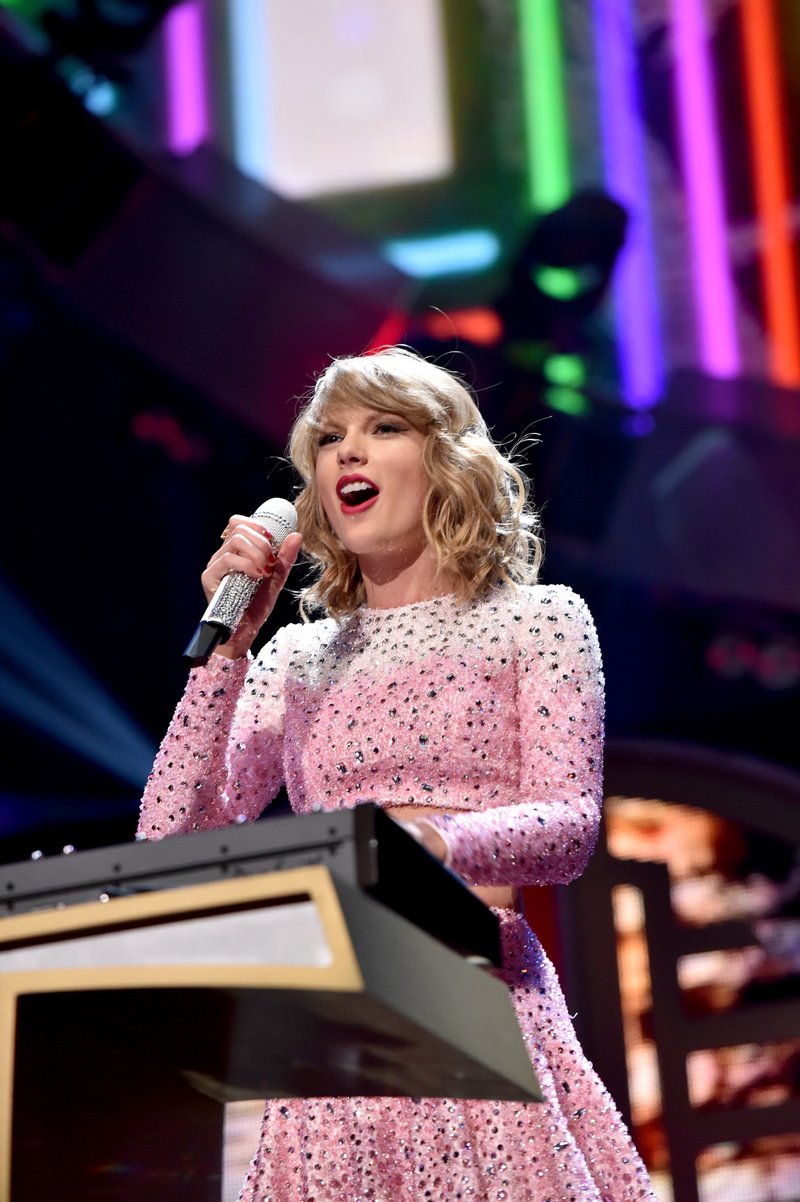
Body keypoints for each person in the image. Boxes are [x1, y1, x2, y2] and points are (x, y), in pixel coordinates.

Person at [138, 347, 655, 1202]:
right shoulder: (296, 658)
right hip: (340, 1028)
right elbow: (169, 842)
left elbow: (569, 827)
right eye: (331, 437)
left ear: (448, 460)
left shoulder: (539, 621)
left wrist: (432, 842)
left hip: (480, 1000)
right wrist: (227, 654)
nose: (349, 450)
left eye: (383, 428)